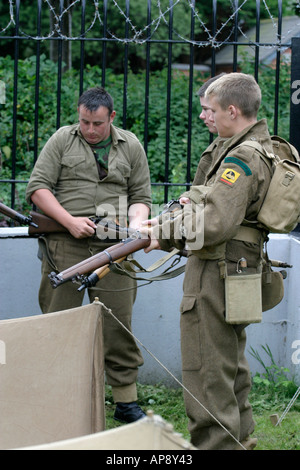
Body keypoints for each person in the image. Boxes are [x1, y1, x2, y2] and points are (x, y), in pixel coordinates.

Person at [141, 73, 274, 450]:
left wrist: (162, 234)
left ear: (232, 110)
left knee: (207, 368)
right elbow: (204, 206)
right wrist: (165, 221)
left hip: (218, 270)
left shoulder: (242, 157)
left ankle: (219, 445)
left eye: (208, 109)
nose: (203, 116)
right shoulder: (244, 147)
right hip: (239, 269)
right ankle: (239, 440)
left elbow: (213, 223)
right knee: (229, 363)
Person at [26, 86, 152, 423]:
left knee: (118, 325)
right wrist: (68, 221)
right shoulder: (62, 140)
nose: (90, 130)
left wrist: (136, 228)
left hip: (116, 247)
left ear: (111, 117)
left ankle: (126, 402)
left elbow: (141, 196)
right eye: (84, 122)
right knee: (58, 323)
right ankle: (52, 397)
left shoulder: (131, 145)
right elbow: (37, 188)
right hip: (66, 245)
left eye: (97, 123)